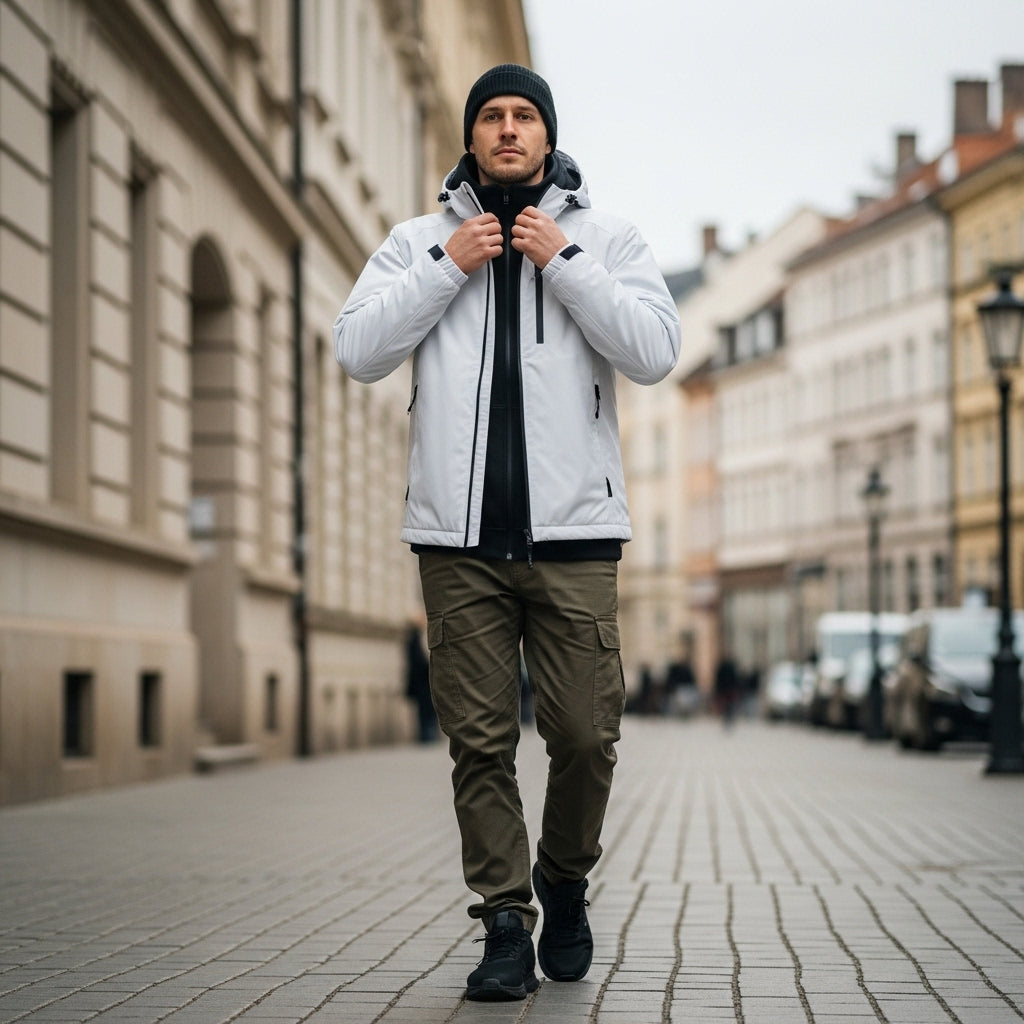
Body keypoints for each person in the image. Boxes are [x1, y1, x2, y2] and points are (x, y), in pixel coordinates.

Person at [334, 63, 680, 1001]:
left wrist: (561, 259)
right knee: (479, 744)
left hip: (575, 539)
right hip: (458, 544)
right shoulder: (420, 241)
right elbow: (358, 350)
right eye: (492, 115)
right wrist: (453, 266)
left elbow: (653, 352)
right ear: (471, 136)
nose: (509, 129)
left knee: (584, 735)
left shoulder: (604, 237)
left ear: (548, 133)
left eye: (525, 114)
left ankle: (563, 879)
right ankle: (502, 922)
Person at [404, 618, 437, 742]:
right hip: (422, 682)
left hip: (423, 682)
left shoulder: (416, 638)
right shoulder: (414, 639)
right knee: (425, 709)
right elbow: (417, 662)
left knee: (428, 709)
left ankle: (428, 734)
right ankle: (427, 735)